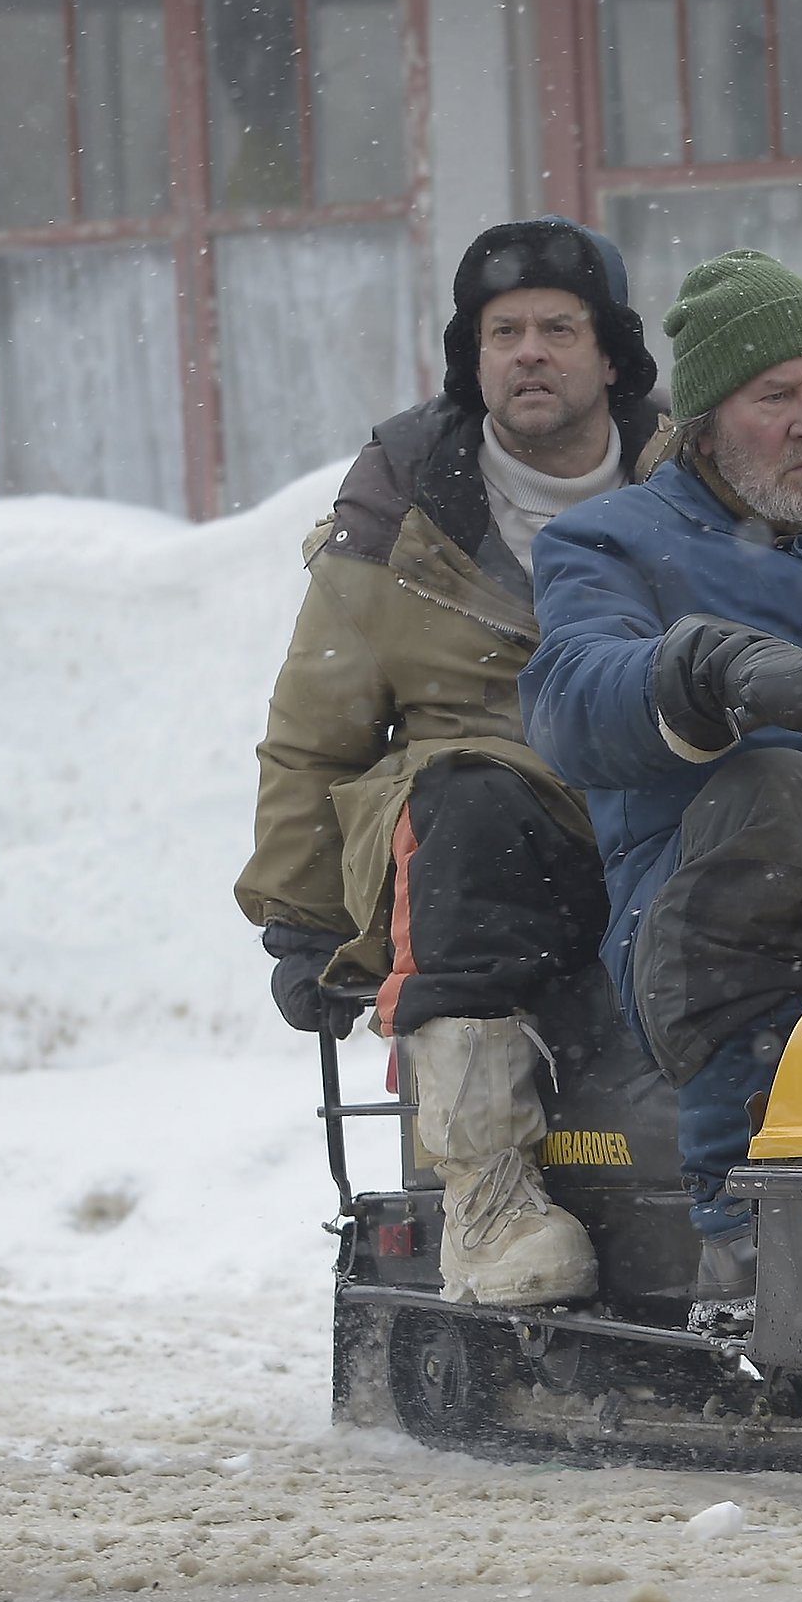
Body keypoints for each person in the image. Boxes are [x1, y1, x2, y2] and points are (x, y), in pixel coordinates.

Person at [236, 217, 666, 1311]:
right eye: (503, 331)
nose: (530, 352)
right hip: (484, 841)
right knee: (465, 801)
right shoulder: (402, 516)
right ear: (470, 362)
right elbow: (314, 731)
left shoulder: (691, 484)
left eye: (559, 329)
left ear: (610, 355)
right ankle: (490, 1198)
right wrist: (298, 922)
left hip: (656, 808)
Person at [521, 251, 802, 1304]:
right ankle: (743, 1209)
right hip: (706, 927)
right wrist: (709, 669)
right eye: (776, 398)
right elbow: (571, 693)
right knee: (774, 786)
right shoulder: (611, 541)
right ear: (708, 422)